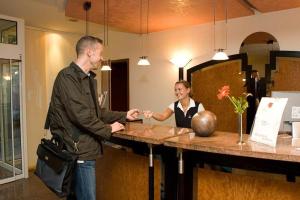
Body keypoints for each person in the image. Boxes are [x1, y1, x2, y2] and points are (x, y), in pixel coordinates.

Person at [47, 35, 139, 200]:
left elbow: (97, 112)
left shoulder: (88, 79)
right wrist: (108, 129)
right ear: (89, 52)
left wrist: (124, 115)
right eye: (100, 53)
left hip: (85, 149)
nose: (102, 58)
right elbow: (81, 115)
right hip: (78, 150)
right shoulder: (67, 77)